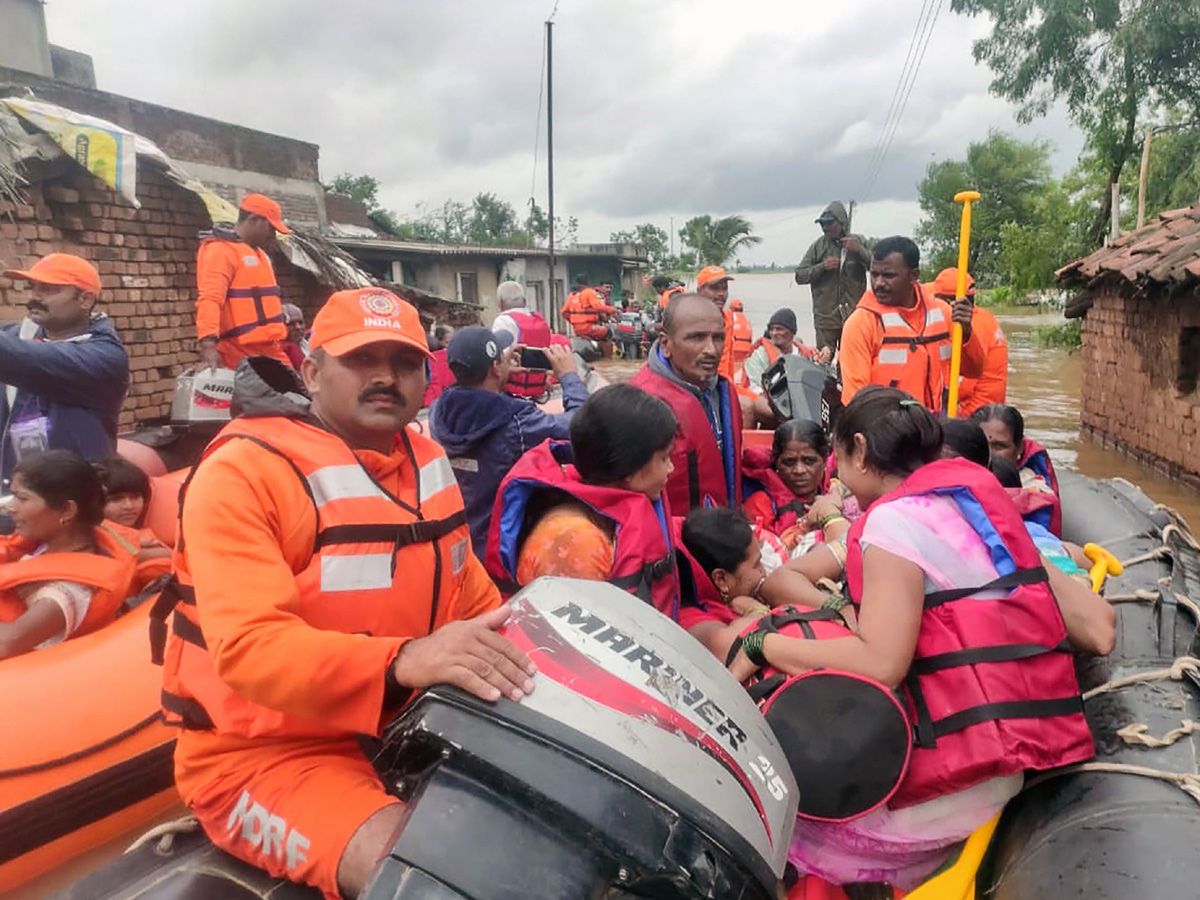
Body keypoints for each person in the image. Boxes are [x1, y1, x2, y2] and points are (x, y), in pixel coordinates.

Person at [157, 287, 534, 900]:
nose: (385, 377)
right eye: (362, 359)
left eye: (405, 362)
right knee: (436, 882)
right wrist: (404, 659)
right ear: (311, 370)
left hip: (411, 723)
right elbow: (250, 648)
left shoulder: (428, 458)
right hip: (268, 756)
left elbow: (473, 601)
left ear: (427, 376)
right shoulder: (244, 474)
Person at [728, 386, 1114, 890]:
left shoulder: (890, 523)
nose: (836, 476)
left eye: (838, 459)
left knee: (771, 807)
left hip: (949, 790)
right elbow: (1101, 630)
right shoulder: (979, 506)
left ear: (860, 452)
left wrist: (764, 645)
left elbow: (883, 663)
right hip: (1010, 763)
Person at [485, 384, 682, 617]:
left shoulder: (613, 505)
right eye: (663, 458)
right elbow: (563, 641)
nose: (671, 468)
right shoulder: (574, 540)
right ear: (630, 467)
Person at [430, 326, 587, 560]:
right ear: (494, 367)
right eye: (501, 359)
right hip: (502, 547)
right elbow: (582, 427)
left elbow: (478, 400)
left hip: (463, 543)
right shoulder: (516, 423)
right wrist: (569, 377)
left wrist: (500, 373)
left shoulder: (438, 412)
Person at [0, 253, 130, 490]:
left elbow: (23, 359)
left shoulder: (103, 356)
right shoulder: (17, 336)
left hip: (73, 500)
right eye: (33, 287)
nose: (34, 297)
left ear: (85, 300)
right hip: (16, 494)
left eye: (48, 289)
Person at [0, 450, 138, 659]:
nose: (11, 507)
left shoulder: (65, 594)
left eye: (22, 498)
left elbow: (5, 645)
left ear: (67, 510)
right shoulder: (70, 539)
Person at [839, 236, 985, 413]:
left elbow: (974, 370)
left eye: (888, 275)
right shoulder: (861, 324)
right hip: (889, 429)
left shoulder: (943, 313)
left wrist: (967, 333)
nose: (878, 283)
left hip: (936, 423)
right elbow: (856, 400)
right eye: (874, 274)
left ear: (914, 275)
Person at [630, 293, 742, 512]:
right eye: (696, 338)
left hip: (723, 530)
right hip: (674, 538)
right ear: (665, 344)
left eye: (718, 338)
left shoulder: (722, 391)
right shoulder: (641, 404)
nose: (711, 349)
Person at [195, 193, 292, 370]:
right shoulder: (220, 250)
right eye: (271, 228)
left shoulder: (259, 254)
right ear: (255, 220)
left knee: (299, 394)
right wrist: (208, 345)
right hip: (237, 353)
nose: (273, 235)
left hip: (269, 349)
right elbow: (210, 299)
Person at [794, 202, 871, 354]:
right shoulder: (818, 247)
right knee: (823, 361)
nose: (825, 227)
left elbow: (877, 266)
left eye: (829, 223)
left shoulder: (858, 242)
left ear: (842, 222)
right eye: (822, 224)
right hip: (825, 318)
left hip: (853, 317)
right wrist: (822, 267)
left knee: (852, 361)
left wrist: (858, 250)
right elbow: (800, 276)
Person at [972, 403, 1061, 534]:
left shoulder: (1036, 492)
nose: (989, 453)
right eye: (982, 444)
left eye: (999, 446)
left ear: (1019, 448)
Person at [928, 268, 1007, 414]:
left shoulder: (968, 327)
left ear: (950, 302)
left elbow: (967, 379)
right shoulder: (984, 317)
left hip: (976, 412)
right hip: (992, 407)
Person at [742, 420, 831, 545]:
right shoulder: (760, 504)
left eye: (809, 461)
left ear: (825, 459)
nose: (799, 470)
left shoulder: (839, 492)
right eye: (789, 462)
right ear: (776, 462)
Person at [96, 455, 172, 582]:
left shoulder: (147, 537)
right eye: (116, 499)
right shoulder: (88, 535)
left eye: (135, 497)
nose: (129, 506)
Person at [491, 280, 567, 399]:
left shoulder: (503, 321)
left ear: (500, 303)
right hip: (538, 388)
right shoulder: (539, 320)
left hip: (512, 390)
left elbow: (499, 358)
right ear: (524, 302)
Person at [738, 308, 826, 393]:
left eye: (779, 329)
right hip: (768, 402)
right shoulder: (760, 356)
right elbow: (754, 388)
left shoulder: (804, 355)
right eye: (771, 329)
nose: (774, 333)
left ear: (792, 332)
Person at [695, 265, 739, 380]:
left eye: (724, 288)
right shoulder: (690, 321)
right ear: (699, 291)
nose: (721, 294)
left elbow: (728, 361)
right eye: (714, 288)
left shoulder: (728, 318)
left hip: (725, 384)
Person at [561, 274, 616, 341]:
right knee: (608, 333)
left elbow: (564, 312)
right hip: (588, 327)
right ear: (588, 282)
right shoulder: (589, 292)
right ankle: (608, 351)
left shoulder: (572, 295)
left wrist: (574, 320)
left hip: (576, 328)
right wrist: (613, 310)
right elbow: (598, 306)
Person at [422, 324, 455, 407]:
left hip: (429, 402)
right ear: (439, 341)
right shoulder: (447, 357)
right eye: (447, 342)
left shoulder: (427, 358)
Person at [727, 299, 754, 375]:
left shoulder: (730, 317)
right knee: (740, 369)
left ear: (731, 308)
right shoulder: (746, 320)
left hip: (734, 348)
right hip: (747, 348)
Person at [281, 303, 310, 370]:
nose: (298, 327)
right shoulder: (277, 352)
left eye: (300, 323)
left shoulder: (312, 342)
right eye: (290, 324)